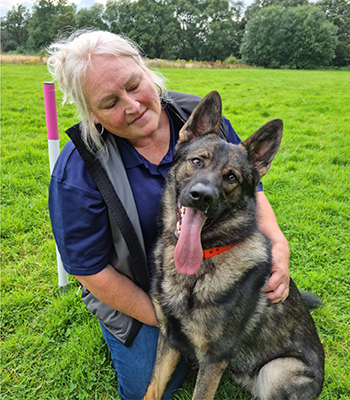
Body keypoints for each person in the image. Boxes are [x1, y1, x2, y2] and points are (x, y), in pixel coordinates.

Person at [47, 30, 290, 400]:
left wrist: (279, 244)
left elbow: (248, 184)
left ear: (148, 73)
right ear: (91, 113)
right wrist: (167, 318)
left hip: (206, 265)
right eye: (110, 102)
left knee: (219, 334)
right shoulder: (77, 172)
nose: (131, 106)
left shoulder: (199, 121)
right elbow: (87, 267)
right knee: (156, 376)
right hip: (139, 290)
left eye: (133, 85)